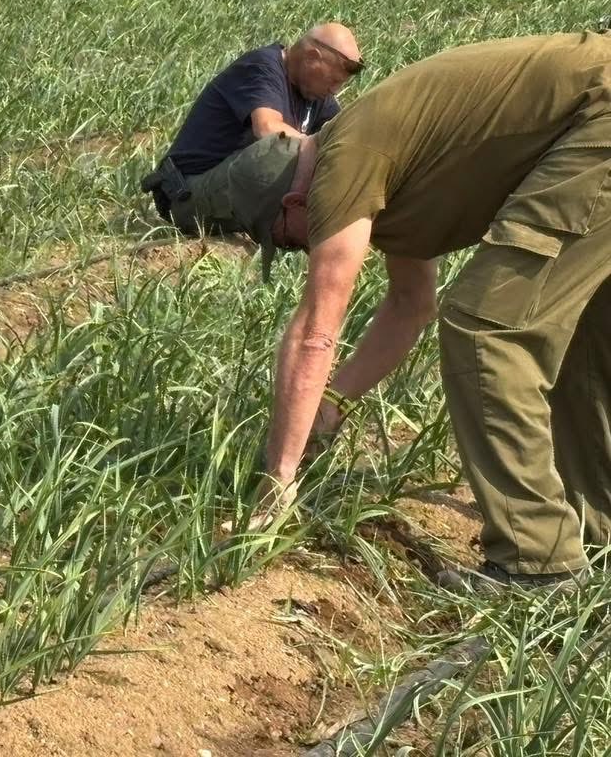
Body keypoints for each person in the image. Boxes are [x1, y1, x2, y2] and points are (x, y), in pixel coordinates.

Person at [233, 31, 611, 590]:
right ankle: (597, 532)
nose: (301, 245)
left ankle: (538, 564)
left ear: (293, 200)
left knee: (489, 330)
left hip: (600, 118)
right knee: (576, 338)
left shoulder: (341, 167)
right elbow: (412, 306)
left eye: (288, 237)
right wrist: (333, 406)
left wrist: (280, 476)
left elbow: (317, 329)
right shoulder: (380, 163)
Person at [143, 23, 362, 236]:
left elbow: (345, 137)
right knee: (286, 152)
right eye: (333, 80)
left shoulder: (315, 92)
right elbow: (267, 128)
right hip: (186, 196)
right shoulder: (263, 67)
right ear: (312, 57)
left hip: (222, 194)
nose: (335, 90)